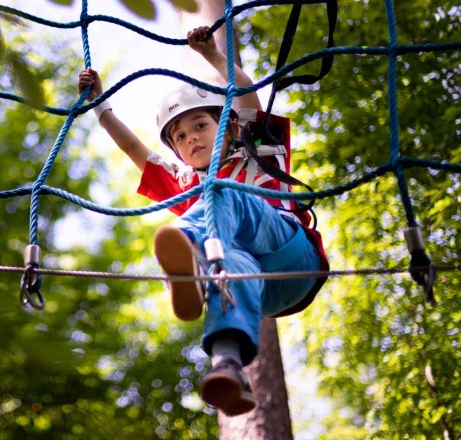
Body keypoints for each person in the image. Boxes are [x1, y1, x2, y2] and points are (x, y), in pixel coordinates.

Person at [78, 26, 328, 416]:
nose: (190, 138)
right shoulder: (185, 183)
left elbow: (246, 92)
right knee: (228, 261)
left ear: (228, 126)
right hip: (260, 291)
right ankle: (228, 367)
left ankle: (189, 250)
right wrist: (100, 104)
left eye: (200, 125)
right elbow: (133, 148)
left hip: (292, 258)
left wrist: (213, 55)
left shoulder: (257, 150)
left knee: (221, 193)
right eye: (179, 136)